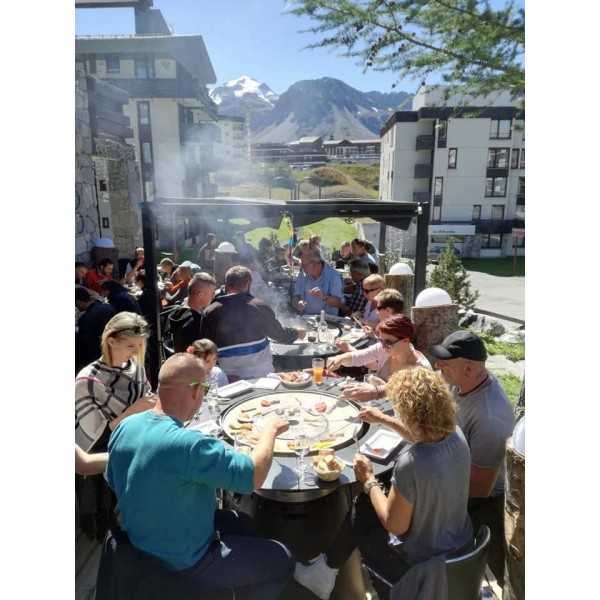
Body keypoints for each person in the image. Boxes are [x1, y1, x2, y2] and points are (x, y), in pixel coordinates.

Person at [106, 353, 294, 599]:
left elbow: (113, 479)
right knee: (283, 558)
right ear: (195, 391)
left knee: (242, 522)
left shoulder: (126, 426)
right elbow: (253, 477)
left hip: (141, 541)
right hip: (184, 560)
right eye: (204, 387)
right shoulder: (190, 445)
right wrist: (270, 429)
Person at [294, 367, 473, 599]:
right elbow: (423, 436)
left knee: (362, 507)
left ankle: (328, 572)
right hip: (458, 542)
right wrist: (383, 419)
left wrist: (368, 480)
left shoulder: (412, 462)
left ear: (410, 414)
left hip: (423, 563)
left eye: (398, 410)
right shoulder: (456, 435)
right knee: (370, 501)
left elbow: (394, 525)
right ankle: (326, 568)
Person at [430, 330, 514, 586]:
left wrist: (430, 484)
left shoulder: (490, 418)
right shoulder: (464, 381)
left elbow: (479, 488)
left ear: (468, 369)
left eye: (445, 363)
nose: (438, 366)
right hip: (454, 467)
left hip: (479, 502)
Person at [200, 266, 304, 379]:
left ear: (226, 285)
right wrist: (297, 333)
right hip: (262, 377)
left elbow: (205, 352)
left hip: (229, 380)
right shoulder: (259, 307)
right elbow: (280, 335)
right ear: (248, 284)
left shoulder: (209, 312)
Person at [75, 312, 156, 452]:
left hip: (139, 447)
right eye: (130, 346)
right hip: (104, 458)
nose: (137, 351)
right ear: (111, 341)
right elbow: (96, 438)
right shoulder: (88, 381)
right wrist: (133, 411)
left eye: (140, 344)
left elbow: (147, 403)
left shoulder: (136, 367)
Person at [330, 315, 431, 385]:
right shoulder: (384, 348)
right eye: (381, 340)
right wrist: (340, 358)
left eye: (388, 342)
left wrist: (380, 390)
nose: (382, 345)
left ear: (405, 340)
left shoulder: (421, 369)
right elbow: (359, 357)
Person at [169, 273, 217, 353]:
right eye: (212, 293)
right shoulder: (196, 322)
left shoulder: (177, 313)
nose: (213, 297)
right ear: (200, 294)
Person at [75, 285, 116, 372]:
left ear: (78, 301)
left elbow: (84, 343)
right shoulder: (107, 307)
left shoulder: (86, 318)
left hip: (97, 358)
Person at [292, 251, 344, 316]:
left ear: (317, 264)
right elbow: (295, 296)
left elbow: (339, 304)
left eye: (304, 265)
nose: (302, 267)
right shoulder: (303, 274)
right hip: (305, 318)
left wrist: (324, 296)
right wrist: (298, 303)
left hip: (326, 321)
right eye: (301, 264)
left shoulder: (334, 276)